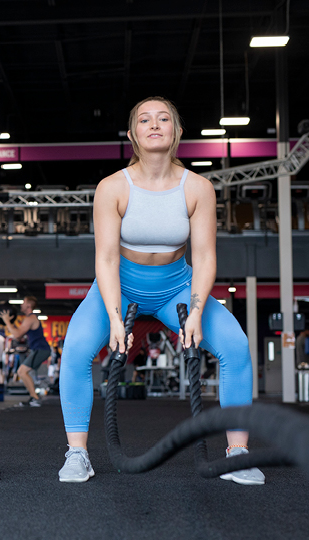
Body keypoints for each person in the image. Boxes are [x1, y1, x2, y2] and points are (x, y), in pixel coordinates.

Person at [57, 97, 263, 485]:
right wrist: (116, 320)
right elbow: (105, 259)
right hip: (119, 285)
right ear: (134, 134)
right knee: (76, 348)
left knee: (235, 345)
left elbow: (203, 258)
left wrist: (197, 313)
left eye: (164, 118)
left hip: (177, 287)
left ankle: (237, 453)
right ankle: (77, 453)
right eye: (145, 120)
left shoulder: (198, 188)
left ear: (177, 132)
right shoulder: (112, 186)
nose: (155, 125)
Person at [0, 296, 51, 407]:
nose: (21, 304)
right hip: (38, 349)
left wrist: (7, 321)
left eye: (23, 302)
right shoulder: (28, 318)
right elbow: (18, 335)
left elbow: (17, 334)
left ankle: (35, 398)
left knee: (22, 372)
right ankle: (33, 397)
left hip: (41, 349)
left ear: (28, 305)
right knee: (22, 372)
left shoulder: (30, 318)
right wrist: (9, 323)